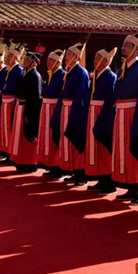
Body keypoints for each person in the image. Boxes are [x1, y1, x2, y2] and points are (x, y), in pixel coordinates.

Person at [111, 32, 138, 204]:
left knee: (136, 149)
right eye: (123, 45)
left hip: (134, 113)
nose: (123, 48)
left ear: (136, 49)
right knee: (124, 152)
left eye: (127, 45)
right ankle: (130, 187)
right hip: (121, 113)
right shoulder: (122, 69)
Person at [50, 43, 90, 179]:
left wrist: (76, 114)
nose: (67, 58)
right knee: (65, 140)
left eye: (69, 55)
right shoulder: (69, 72)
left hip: (74, 109)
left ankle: (80, 172)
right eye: (66, 56)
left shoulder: (81, 73)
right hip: (65, 109)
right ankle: (70, 169)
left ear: (77, 57)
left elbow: (81, 96)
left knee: (74, 139)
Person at [88, 47, 117, 192]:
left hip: (103, 113)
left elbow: (111, 99)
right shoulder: (95, 76)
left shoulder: (111, 77)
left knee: (104, 148)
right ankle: (101, 177)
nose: (94, 61)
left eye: (97, 58)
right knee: (96, 148)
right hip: (93, 111)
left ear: (106, 61)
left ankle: (109, 181)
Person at [10, 51, 43, 172]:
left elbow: (35, 98)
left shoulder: (35, 76)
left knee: (28, 135)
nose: (24, 62)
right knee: (20, 137)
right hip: (20, 107)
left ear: (33, 62)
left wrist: (29, 114)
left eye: (27, 60)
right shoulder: (25, 74)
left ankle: (30, 163)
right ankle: (21, 160)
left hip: (27, 108)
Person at [0, 47, 24, 162]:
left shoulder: (19, 70)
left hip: (11, 101)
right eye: (7, 56)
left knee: (10, 128)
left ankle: (10, 152)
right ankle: (4, 150)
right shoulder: (10, 70)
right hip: (5, 101)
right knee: (3, 127)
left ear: (16, 57)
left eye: (10, 56)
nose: (7, 58)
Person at [39, 49, 66, 177]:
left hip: (55, 108)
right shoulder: (51, 75)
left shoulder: (62, 75)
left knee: (54, 137)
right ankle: (50, 164)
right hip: (46, 108)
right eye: (48, 60)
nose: (48, 63)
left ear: (57, 61)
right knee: (47, 138)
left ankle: (58, 166)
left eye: (51, 60)